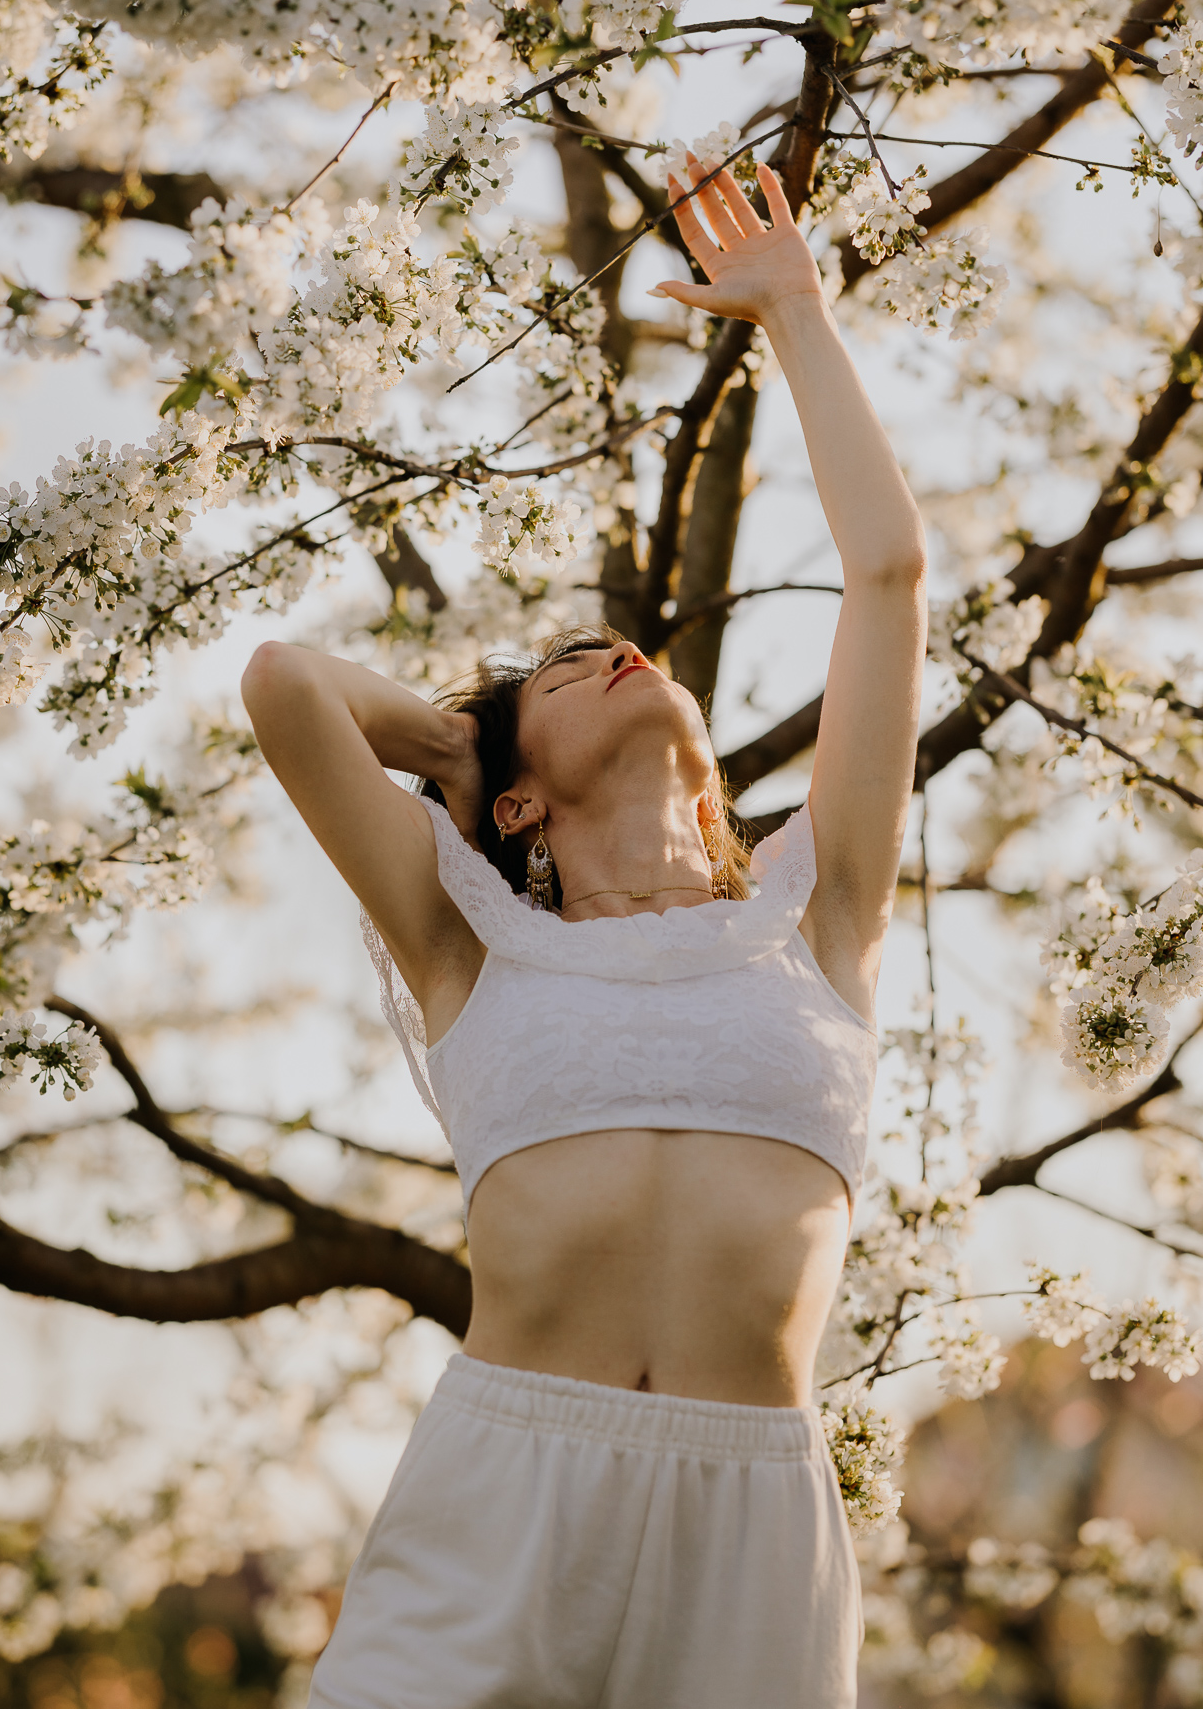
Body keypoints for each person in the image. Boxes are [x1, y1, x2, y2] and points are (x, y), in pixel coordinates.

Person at [241, 156, 927, 1709]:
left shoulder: (821, 911)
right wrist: (463, 751)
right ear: (521, 809)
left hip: (751, 1519)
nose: (612, 649)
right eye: (563, 666)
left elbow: (889, 577)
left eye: (614, 647)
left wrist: (800, 314)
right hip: (505, 1492)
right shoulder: (468, 947)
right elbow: (287, 681)